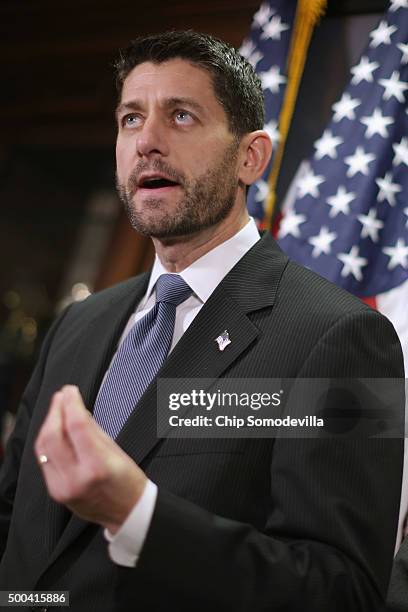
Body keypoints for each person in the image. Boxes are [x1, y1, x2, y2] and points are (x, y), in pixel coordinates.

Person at [0, 30, 404, 612]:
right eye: (131, 119)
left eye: (181, 116)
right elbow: (17, 523)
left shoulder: (346, 335)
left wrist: (137, 514)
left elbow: (341, 589)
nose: (148, 142)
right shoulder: (80, 323)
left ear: (250, 157)